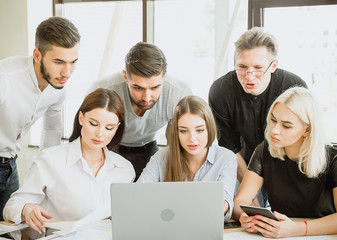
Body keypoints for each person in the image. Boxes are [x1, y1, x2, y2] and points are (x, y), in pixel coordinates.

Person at [3, 88, 135, 233]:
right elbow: (12, 206)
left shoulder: (125, 170)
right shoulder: (50, 160)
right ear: (81, 118)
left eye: (109, 128)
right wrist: (27, 209)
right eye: (93, 124)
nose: (100, 134)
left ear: (117, 128)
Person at [208, 27, 307, 206]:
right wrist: (251, 195)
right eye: (242, 67)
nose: (249, 76)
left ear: (273, 66)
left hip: (288, 164)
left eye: (258, 68)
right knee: (247, 212)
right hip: (244, 164)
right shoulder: (220, 91)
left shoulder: (295, 87)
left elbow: (303, 138)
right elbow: (230, 147)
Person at [0, 16, 81, 220]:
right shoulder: (5, 78)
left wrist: (46, 169)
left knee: (14, 227)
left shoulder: (58, 88)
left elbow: (52, 130)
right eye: (58, 62)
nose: (67, 72)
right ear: (37, 55)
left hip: (10, 165)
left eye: (73, 62)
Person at [233, 87, 337, 238]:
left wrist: (297, 229)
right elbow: (240, 201)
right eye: (273, 120)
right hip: (280, 235)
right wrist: (244, 216)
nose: (274, 130)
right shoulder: (264, 150)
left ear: (307, 130)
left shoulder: (333, 158)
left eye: (286, 126)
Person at [87, 42, 191, 180]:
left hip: (147, 147)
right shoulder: (103, 89)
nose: (147, 98)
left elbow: (177, 144)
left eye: (154, 88)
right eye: (138, 88)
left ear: (164, 77)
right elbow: (85, 134)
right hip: (109, 147)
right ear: (125, 77)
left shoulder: (179, 94)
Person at [137, 95, 237, 221]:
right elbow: (139, 195)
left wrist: (219, 207)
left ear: (209, 129)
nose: (192, 139)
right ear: (176, 132)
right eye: (184, 131)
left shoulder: (226, 158)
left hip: (206, 227)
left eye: (199, 130)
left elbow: (225, 203)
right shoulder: (161, 157)